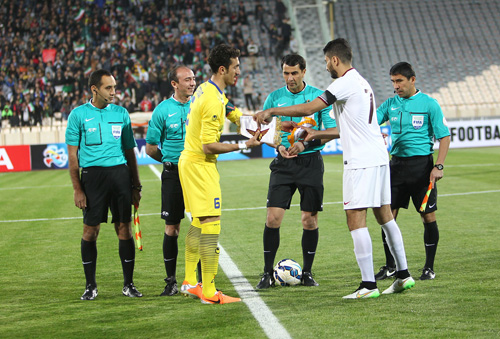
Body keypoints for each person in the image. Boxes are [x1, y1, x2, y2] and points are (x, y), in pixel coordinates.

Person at [254, 38, 415, 299]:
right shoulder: (362, 82)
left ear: (335, 60)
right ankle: (403, 274)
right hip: (378, 156)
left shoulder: (343, 83)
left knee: (355, 218)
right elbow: (341, 129)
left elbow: (309, 107)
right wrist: (312, 132)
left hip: (361, 161)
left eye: (327, 61)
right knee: (385, 215)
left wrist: (272, 110)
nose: (327, 65)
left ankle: (368, 286)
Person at [178, 43, 261, 304]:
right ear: (223, 69)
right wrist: (244, 145)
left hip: (188, 161)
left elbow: (230, 110)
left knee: (197, 222)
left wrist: (253, 122)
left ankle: (191, 281)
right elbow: (209, 145)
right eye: (236, 67)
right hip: (201, 164)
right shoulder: (212, 99)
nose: (239, 72)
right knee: (211, 222)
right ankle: (211, 291)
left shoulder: (208, 88)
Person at [255, 54, 336, 290]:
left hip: (310, 163)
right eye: (286, 73)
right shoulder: (274, 98)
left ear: (304, 72)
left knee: (309, 220)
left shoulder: (318, 97)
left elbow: (330, 131)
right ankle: (267, 273)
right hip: (283, 164)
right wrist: (277, 145)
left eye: (294, 73)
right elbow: (267, 133)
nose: (289, 78)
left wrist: (305, 144)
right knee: (273, 218)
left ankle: (308, 272)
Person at [65, 69, 143, 300]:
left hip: (119, 175)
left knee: (124, 229)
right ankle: (90, 286)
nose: (113, 92)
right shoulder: (78, 115)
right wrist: (78, 188)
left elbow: (130, 152)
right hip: (92, 178)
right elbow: (72, 156)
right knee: (90, 231)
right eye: (108, 88)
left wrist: (136, 185)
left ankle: (128, 284)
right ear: (94, 89)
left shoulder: (121, 113)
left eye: (114, 87)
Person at [376, 62, 450, 281]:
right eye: (393, 82)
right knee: (388, 217)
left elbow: (444, 136)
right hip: (396, 166)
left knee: (428, 216)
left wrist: (439, 166)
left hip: (422, 168)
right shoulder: (390, 104)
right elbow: (369, 122)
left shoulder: (429, 104)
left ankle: (429, 267)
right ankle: (390, 266)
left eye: (399, 81)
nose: (396, 86)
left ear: (412, 79)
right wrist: (374, 133)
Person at [145, 65, 201, 296]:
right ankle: (171, 282)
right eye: (187, 79)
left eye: (194, 78)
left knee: (201, 223)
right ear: (174, 84)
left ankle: (201, 280)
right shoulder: (161, 110)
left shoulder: (200, 105)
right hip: (173, 173)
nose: (192, 83)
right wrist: (169, 160)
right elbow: (150, 148)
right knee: (172, 227)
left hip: (197, 173)